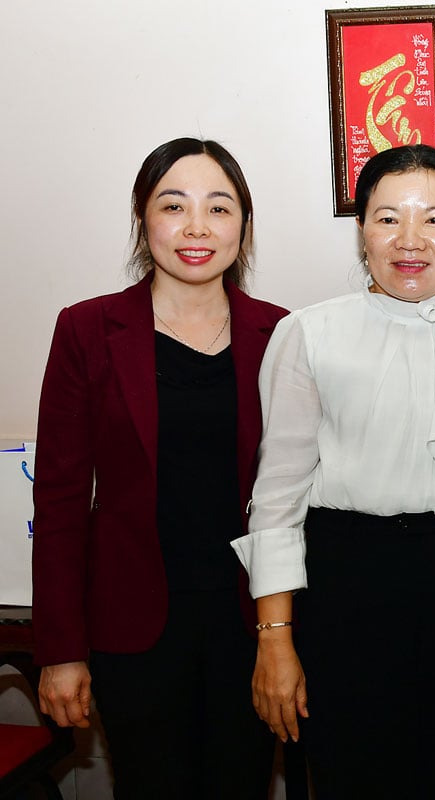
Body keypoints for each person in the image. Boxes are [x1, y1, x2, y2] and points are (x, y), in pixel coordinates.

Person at [233, 144, 435, 798]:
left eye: (434, 219)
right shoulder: (308, 333)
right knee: (353, 775)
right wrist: (275, 637)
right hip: (344, 582)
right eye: (387, 219)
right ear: (362, 232)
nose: (410, 239)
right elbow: (277, 498)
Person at [32, 137, 286, 799]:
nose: (197, 227)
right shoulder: (87, 331)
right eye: (174, 206)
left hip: (253, 628)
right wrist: (61, 649)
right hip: (133, 629)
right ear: (143, 219)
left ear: (244, 227)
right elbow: (59, 502)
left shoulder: (281, 334)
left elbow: (297, 494)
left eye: (219, 208)